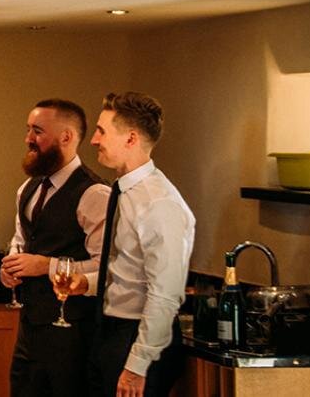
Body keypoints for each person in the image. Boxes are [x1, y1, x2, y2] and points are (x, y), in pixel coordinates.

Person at [72, 91, 195, 397]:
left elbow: (164, 295)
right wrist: (88, 284)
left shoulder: (159, 202)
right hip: (109, 331)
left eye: (102, 131)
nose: (94, 140)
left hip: (136, 338)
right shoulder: (124, 191)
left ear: (130, 138)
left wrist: (136, 366)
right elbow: (129, 270)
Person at [0, 99, 110, 397]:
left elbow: (108, 267)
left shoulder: (95, 193)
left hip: (75, 333)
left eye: (37, 131)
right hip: (30, 329)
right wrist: (10, 265)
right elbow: (20, 240)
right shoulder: (28, 189)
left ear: (66, 137)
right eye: (28, 130)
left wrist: (45, 266)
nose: (28, 139)